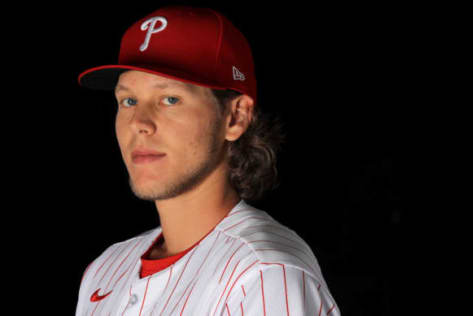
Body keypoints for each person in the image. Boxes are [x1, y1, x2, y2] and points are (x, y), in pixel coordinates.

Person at [75, 5, 341, 315]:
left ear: (235, 117)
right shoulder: (106, 268)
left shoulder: (265, 273)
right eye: (129, 100)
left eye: (170, 99)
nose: (140, 123)